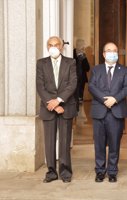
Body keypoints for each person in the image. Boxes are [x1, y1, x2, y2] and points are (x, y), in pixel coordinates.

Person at [36, 36, 77, 183]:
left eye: (56, 44)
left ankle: (65, 173)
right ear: (47, 47)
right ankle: (51, 172)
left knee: (65, 142)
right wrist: (52, 104)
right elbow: (40, 86)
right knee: (49, 142)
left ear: (61, 47)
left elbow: (72, 84)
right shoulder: (41, 63)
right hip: (48, 108)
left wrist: (59, 101)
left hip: (65, 107)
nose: (53, 47)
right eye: (50, 44)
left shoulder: (71, 62)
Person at [89, 42, 127, 183]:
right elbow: (92, 86)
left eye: (114, 50)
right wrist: (104, 99)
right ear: (103, 54)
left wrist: (115, 99)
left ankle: (112, 171)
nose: (112, 53)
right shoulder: (96, 69)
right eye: (109, 50)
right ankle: (100, 171)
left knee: (114, 143)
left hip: (116, 111)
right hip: (99, 111)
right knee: (99, 144)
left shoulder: (124, 70)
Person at [73, 39, 90, 104]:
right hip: (73, 77)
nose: (84, 46)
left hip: (81, 78)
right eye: (83, 44)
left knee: (80, 98)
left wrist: (83, 59)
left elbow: (87, 68)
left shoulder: (83, 55)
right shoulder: (72, 53)